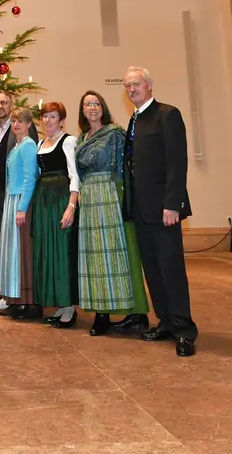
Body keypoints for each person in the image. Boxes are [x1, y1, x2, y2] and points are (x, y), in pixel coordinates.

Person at [122, 67, 197, 357]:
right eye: (127, 86)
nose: (131, 89)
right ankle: (165, 321)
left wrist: (172, 203)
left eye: (136, 84)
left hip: (164, 208)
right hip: (141, 209)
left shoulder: (168, 114)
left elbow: (177, 163)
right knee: (152, 269)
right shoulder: (134, 120)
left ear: (149, 85)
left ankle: (185, 330)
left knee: (171, 269)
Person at [73, 91, 149, 336]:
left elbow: (127, 166)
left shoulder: (115, 133)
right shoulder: (83, 137)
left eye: (96, 103)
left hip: (109, 195)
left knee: (115, 254)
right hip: (89, 198)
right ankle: (100, 311)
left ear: (102, 107)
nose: (92, 108)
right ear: (82, 110)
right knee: (93, 257)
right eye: (87, 104)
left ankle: (133, 313)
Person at [32, 102, 81, 327]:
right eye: (45, 117)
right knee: (48, 250)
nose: (48, 121)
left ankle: (69, 307)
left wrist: (71, 206)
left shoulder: (68, 141)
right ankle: (59, 304)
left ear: (61, 120)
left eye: (53, 117)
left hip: (61, 197)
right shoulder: (41, 143)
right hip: (44, 201)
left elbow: (75, 175)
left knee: (62, 250)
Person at [0, 107, 40, 319]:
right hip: (12, 200)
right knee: (11, 250)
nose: (16, 125)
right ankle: (12, 297)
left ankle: (25, 301)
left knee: (20, 251)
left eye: (21, 121)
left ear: (29, 124)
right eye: (13, 121)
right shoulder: (16, 146)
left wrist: (22, 208)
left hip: (21, 201)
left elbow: (30, 178)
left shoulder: (28, 145)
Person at [0, 89, 37, 255]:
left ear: (10, 104)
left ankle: (20, 279)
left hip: (17, 194)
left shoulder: (22, 129)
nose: (0, 106)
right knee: (2, 241)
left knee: (19, 242)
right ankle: (6, 276)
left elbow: (30, 167)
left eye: (3, 102)